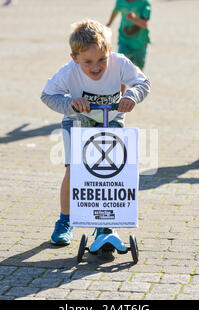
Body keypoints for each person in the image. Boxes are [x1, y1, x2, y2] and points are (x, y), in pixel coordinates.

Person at [41, 19, 151, 245]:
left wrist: (132, 95)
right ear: (74, 58)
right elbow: (48, 95)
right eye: (88, 61)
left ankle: (106, 223)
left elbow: (143, 82)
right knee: (74, 169)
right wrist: (71, 103)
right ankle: (66, 220)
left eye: (102, 59)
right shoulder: (68, 72)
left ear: (110, 51)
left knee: (111, 172)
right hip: (77, 122)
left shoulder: (120, 63)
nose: (96, 66)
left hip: (111, 120)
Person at [106, 0, 151, 71]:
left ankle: (137, 82)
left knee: (139, 70)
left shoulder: (144, 3)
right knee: (122, 63)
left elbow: (144, 25)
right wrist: (109, 24)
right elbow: (115, 11)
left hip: (140, 42)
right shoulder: (120, 1)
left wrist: (134, 19)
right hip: (124, 39)